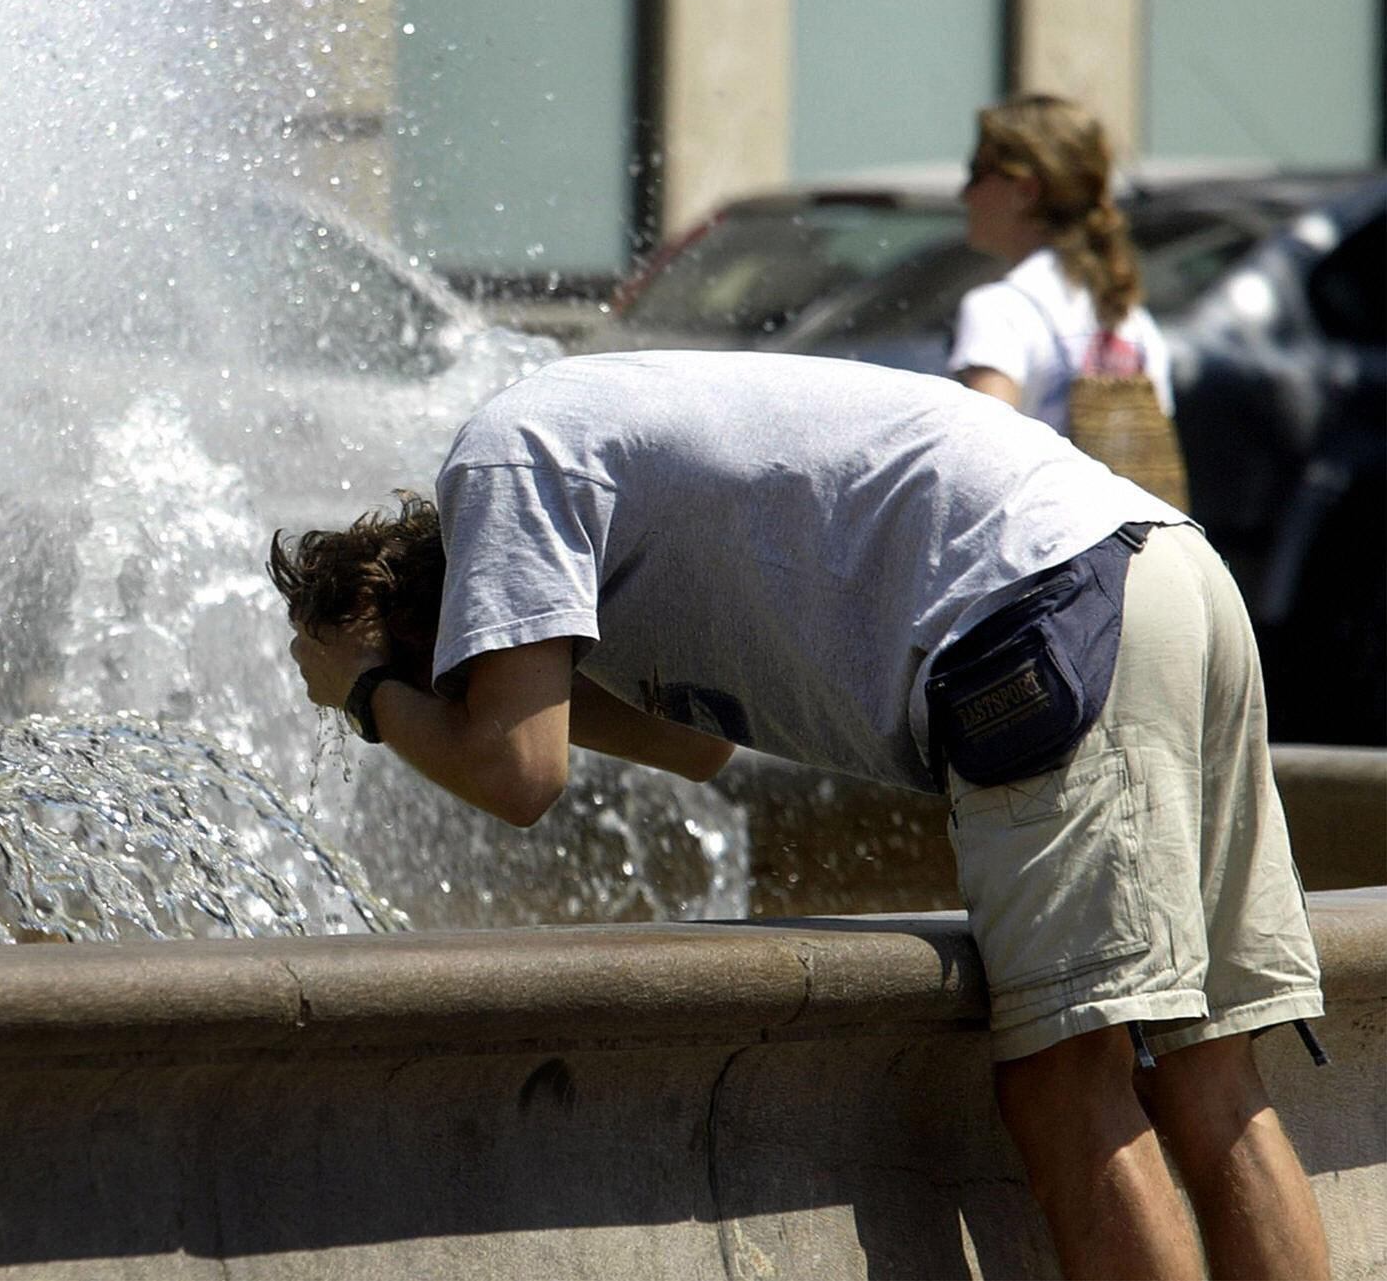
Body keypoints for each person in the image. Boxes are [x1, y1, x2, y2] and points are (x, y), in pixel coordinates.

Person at [270, 349, 1328, 1280]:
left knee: (1068, 1085)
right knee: (1208, 1069)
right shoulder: (589, 487)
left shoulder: (496, 467)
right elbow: (695, 747)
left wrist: (366, 695)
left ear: (423, 623)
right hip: (1157, 566)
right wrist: (476, 688)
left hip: (1039, 618)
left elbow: (516, 774)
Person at [951, 93, 1174, 436]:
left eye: (976, 172)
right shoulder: (1130, 318)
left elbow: (982, 456)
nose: (964, 193)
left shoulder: (999, 310)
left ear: (1025, 190)